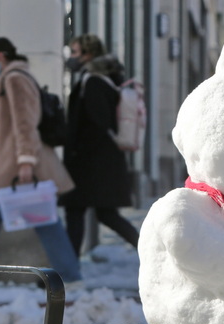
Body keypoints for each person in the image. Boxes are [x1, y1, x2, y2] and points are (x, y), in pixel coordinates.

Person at [0, 37, 82, 285]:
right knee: (37, 220)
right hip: (11, 165)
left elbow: (25, 122)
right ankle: (70, 276)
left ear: (0, 56)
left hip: (15, 167)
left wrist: (25, 161)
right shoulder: (16, 76)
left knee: (22, 219)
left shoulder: (14, 78)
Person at [61, 34, 140, 255]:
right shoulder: (105, 79)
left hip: (91, 164)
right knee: (104, 214)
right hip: (100, 162)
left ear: (88, 55)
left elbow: (98, 123)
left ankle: (67, 270)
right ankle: (148, 249)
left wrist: (76, 153)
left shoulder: (93, 82)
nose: (71, 58)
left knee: (77, 212)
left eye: (75, 53)